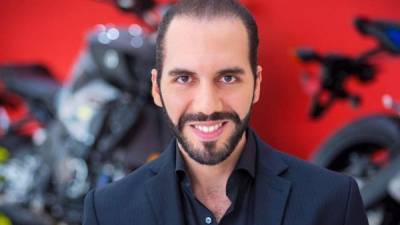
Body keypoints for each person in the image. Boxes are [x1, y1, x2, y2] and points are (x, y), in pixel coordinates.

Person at [83, 0, 369, 224]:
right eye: (184, 79)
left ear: (256, 84)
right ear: (157, 89)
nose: (208, 105)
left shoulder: (333, 201)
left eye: (228, 78)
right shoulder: (107, 212)